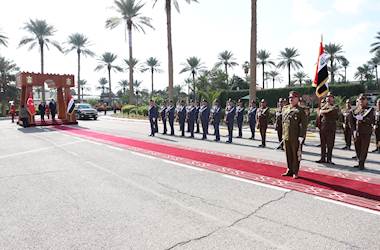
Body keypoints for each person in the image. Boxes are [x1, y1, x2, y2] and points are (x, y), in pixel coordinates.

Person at [281, 91, 307, 179]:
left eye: (293, 97)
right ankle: (289, 169)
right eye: (290, 97)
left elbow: (304, 125)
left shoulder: (300, 110)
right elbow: (283, 122)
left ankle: (295, 171)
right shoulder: (285, 108)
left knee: (295, 154)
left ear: (297, 99)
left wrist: (302, 136)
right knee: (288, 153)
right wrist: (283, 134)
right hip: (286, 135)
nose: (291, 99)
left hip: (295, 136)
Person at [351, 94, 375, 170]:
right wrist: (353, 130)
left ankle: (362, 163)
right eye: (360, 99)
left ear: (366, 101)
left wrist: (362, 119)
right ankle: (359, 161)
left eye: (363, 99)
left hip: (365, 132)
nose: (361, 101)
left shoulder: (370, 110)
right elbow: (352, 121)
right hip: (357, 132)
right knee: (357, 147)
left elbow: (371, 120)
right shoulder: (356, 110)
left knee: (364, 148)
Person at [316, 92, 339, 165]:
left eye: (330, 97)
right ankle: (322, 158)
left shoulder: (335, 107)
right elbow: (319, 116)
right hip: (323, 128)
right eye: (327, 97)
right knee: (323, 144)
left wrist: (322, 111)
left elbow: (329, 111)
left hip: (331, 128)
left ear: (333, 98)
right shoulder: (323, 106)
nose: (328, 98)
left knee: (330, 144)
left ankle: (329, 159)